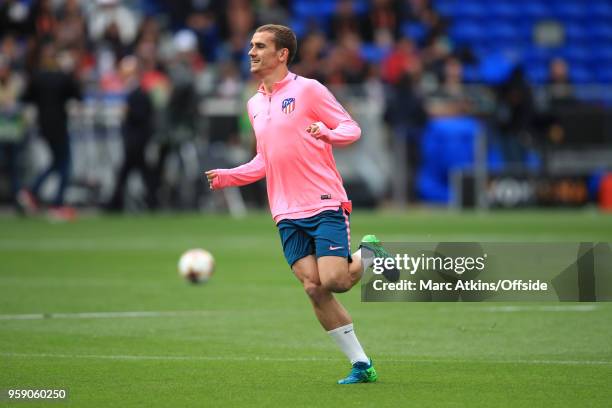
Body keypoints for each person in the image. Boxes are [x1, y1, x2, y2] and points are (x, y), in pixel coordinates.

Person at [205, 24, 397, 384]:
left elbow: (351, 129)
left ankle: (369, 253)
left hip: (323, 201)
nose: (251, 52)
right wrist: (229, 176)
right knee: (313, 287)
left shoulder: (308, 90)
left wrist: (327, 133)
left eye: (260, 46)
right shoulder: (254, 103)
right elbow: (265, 159)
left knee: (336, 280)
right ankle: (361, 364)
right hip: (285, 212)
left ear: (282, 54)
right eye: (250, 45)